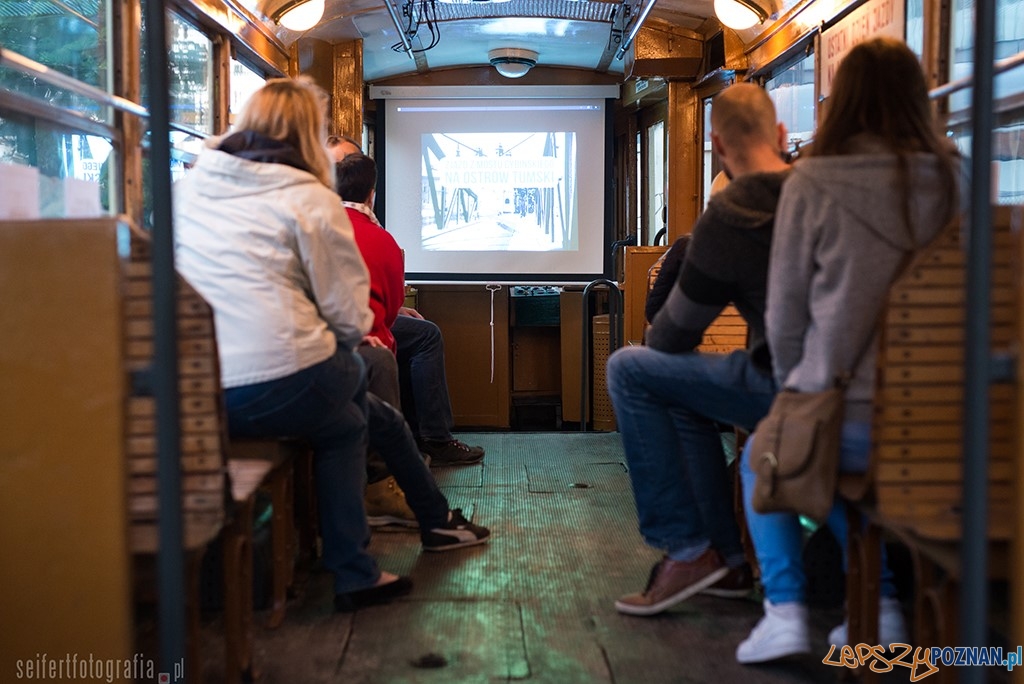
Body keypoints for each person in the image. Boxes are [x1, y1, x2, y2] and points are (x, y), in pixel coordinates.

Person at [173, 78, 488, 614]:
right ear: (308, 136)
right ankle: (375, 557)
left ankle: (419, 531)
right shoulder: (308, 198)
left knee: (357, 419)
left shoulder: (190, 187)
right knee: (356, 392)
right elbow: (349, 316)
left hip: (200, 384)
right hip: (284, 377)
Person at [736, 37, 959, 664]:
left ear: (843, 104)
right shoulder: (956, 175)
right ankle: (885, 606)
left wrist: (795, 387)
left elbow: (784, 315)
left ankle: (787, 612)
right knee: (837, 461)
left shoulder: (814, 182)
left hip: (852, 416)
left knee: (773, 453)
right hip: (955, 426)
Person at [606, 82, 790, 616]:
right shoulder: (816, 193)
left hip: (787, 384)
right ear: (779, 134)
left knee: (629, 368)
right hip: (859, 381)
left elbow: (668, 337)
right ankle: (727, 562)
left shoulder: (732, 215)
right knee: (683, 398)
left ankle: (687, 548)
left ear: (715, 146)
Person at [329, 134, 486, 466]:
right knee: (394, 351)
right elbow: (383, 305)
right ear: (370, 194)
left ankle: (426, 438)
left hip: (326, 328)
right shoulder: (375, 236)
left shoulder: (315, 223)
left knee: (424, 333)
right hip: (346, 335)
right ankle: (419, 445)